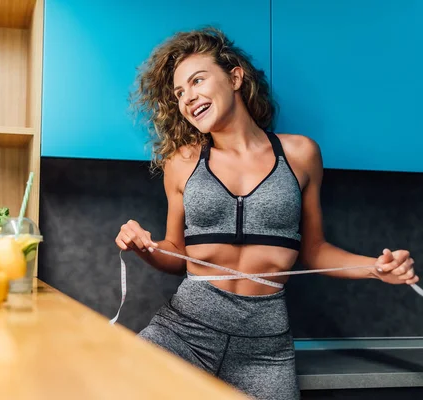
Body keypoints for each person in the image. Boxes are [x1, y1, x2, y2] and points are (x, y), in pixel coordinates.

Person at [114, 26, 418, 399]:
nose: (188, 98)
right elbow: (177, 253)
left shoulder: (301, 155)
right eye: (179, 93)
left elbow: (314, 250)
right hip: (184, 331)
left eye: (197, 81)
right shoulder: (183, 162)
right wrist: (145, 246)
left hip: (264, 346)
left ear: (235, 77)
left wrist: (375, 267)